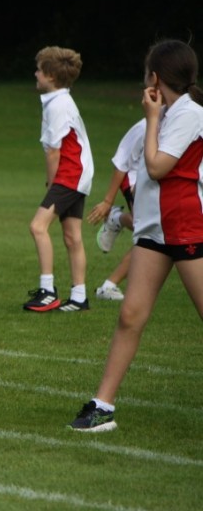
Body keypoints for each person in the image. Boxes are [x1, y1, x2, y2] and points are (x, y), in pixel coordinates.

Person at [69, 39, 203, 432]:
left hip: (185, 227)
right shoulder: (168, 114)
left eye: (147, 74)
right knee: (129, 315)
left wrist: (151, 120)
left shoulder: (190, 114)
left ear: (156, 79)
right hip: (153, 230)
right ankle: (103, 404)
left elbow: (157, 166)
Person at [24, 46, 94, 312]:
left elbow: (54, 151)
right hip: (79, 174)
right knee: (72, 235)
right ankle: (78, 297)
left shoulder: (58, 105)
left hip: (70, 174)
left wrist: (52, 183)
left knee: (38, 227)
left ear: (51, 76)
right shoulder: (60, 101)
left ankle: (47, 291)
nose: (36, 74)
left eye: (40, 70)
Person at [87, 119, 144, 301]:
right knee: (151, 236)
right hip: (135, 181)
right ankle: (109, 287)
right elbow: (120, 163)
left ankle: (116, 219)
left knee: (152, 233)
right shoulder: (144, 127)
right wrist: (107, 201)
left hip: (158, 184)